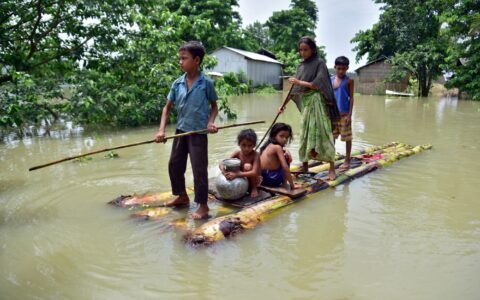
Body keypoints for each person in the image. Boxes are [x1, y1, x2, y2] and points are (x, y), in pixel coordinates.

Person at [155, 41, 218, 219]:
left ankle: (203, 206)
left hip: (198, 133)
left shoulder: (206, 83)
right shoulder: (177, 84)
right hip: (181, 131)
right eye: (179, 58)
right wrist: (161, 131)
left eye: (184, 58)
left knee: (199, 169)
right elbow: (167, 108)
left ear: (196, 60)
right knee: (174, 165)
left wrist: (211, 123)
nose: (180, 62)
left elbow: (214, 107)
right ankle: (182, 196)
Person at [281, 36, 340, 180]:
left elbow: (317, 84)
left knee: (324, 133)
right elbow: (295, 88)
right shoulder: (300, 66)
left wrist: (298, 81)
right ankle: (305, 165)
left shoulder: (320, 63)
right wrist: (282, 105)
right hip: (307, 105)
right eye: (300, 50)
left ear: (313, 50)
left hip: (317, 103)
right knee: (305, 134)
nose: (302, 52)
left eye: (305, 49)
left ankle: (332, 167)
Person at [220, 129, 261, 198]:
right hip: (241, 178)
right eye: (243, 145)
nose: (246, 148)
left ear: (254, 145)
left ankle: (254, 188)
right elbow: (222, 163)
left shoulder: (256, 155)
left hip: (254, 180)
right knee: (230, 166)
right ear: (239, 144)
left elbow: (255, 172)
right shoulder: (237, 153)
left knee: (247, 166)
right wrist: (224, 172)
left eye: (250, 145)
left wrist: (237, 174)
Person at [259, 123, 300, 189]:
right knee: (286, 157)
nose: (284, 139)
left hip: (263, 179)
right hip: (271, 180)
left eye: (286, 137)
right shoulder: (277, 148)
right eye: (281, 136)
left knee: (285, 154)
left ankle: (284, 181)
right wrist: (292, 185)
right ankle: (285, 183)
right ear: (274, 136)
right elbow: (285, 167)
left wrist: (286, 150)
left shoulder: (267, 145)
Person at [331, 56, 354, 170]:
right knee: (332, 138)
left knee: (347, 138)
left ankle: (347, 159)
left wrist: (350, 115)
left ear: (347, 68)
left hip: (344, 114)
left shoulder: (349, 81)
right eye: (339, 68)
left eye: (344, 69)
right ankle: (331, 159)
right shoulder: (330, 80)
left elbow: (351, 98)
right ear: (335, 67)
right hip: (332, 114)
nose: (341, 71)